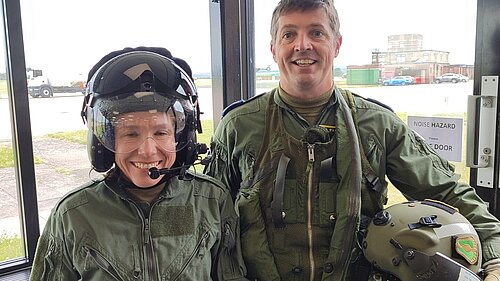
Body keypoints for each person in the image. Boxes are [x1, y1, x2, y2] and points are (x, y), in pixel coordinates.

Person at [204, 0, 500, 280]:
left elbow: (450, 193)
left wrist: (495, 257)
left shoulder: (376, 124)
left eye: (316, 32)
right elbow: (208, 216)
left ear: (336, 44)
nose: (302, 45)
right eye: (289, 34)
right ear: (274, 48)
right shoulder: (238, 126)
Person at [29, 47, 247, 281]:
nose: (147, 150)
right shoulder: (73, 215)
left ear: (181, 139)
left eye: (161, 132)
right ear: (104, 142)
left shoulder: (211, 200)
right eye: (130, 134)